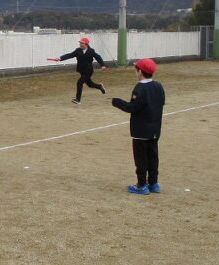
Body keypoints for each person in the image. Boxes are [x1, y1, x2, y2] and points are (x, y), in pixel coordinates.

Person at [110, 58, 166, 195]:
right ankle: (153, 183)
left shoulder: (140, 88)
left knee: (141, 158)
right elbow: (161, 102)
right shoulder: (158, 86)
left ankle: (142, 185)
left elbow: (133, 108)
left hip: (140, 131)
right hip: (154, 129)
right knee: (153, 156)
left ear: (140, 72)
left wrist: (117, 102)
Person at [48, 37, 107, 104]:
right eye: (80, 43)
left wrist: (102, 65)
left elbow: (98, 57)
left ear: (86, 44)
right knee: (90, 84)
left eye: (82, 43)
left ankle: (77, 100)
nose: (80, 44)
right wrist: (60, 58)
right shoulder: (78, 50)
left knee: (79, 82)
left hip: (89, 70)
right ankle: (100, 86)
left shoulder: (91, 51)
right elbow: (70, 55)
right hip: (81, 70)